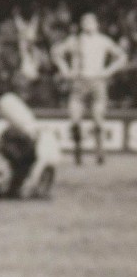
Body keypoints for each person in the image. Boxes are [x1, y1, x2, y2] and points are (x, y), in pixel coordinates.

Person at [50, 12, 128, 165]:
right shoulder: (75, 41)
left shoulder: (103, 41)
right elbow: (56, 52)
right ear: (81, 24)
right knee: (75, 121)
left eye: (91, 22)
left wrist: (108, 71)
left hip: (97, 83)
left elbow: (122, 57)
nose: (88, 24)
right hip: (79, 83)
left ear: (97, 24)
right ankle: (78, 151)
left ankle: (100, 153)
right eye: (85, 22)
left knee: (98, 120)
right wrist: (65, 70)